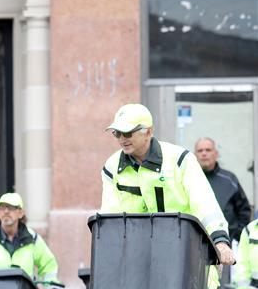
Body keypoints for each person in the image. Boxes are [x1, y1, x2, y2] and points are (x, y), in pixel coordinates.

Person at [100, 104, 236, 277]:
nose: (121, 139)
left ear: (148, 132)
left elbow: (205, 204)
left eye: (127, 133)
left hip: (186, 254)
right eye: (117, 133)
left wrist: (220, 241)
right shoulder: (112, 167)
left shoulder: (180, 160)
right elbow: (110, 216)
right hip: (137, 260)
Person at [194, 138, 252, 243]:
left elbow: (244, 211)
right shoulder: (188, 179)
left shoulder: (230, 179)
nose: (204, 153)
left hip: (227, 242)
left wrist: (236, 237)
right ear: (194, 155)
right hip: (195, 242)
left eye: (208, 150)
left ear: (216, 154)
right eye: (200, 150)